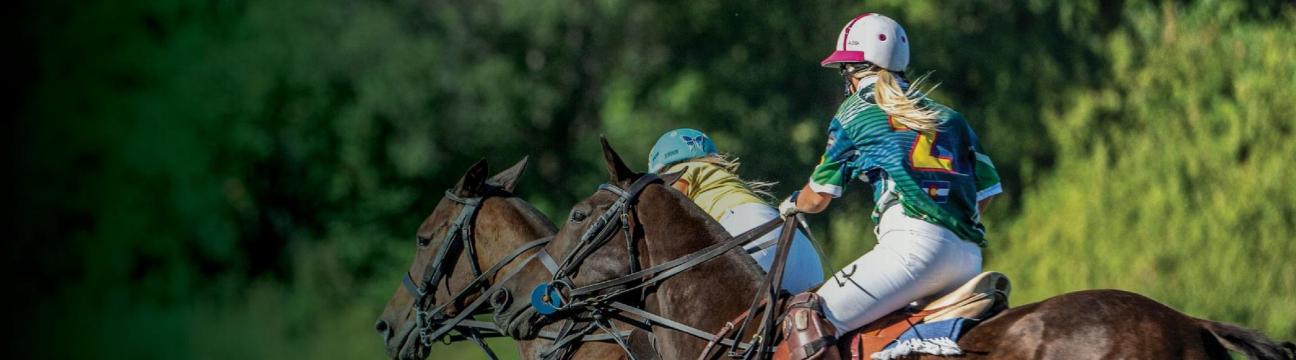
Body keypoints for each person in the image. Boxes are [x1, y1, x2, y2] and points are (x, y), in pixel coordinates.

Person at [776, 13, 1004, 359]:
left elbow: (818, 196)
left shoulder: (855, 112)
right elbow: (985, 193)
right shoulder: (950, 117)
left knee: (805, 316)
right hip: (968, 258)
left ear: (853, 71)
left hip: (912, 252)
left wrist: (792, 203)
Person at [648, 128, 826, 294]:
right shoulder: (723, 177)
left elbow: (663, 216)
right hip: (802, 251)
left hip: (747, 231)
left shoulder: (680, 172)